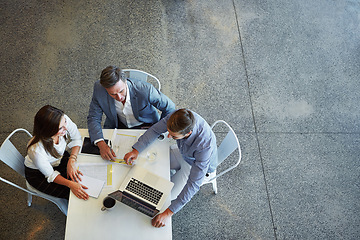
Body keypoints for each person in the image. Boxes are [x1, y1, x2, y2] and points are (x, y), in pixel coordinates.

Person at [124, 109, 218, 228]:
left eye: (173, 136)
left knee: (165, 198)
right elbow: (155, 129)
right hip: (184, 153)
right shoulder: (177, 117)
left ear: (188, 133)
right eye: (169, 132)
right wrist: (136, 150)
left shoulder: (204, 146)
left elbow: (193, 184)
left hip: (197, 167)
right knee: (153, 165)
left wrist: (167, 213)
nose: (168, 136)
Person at [87, 65, 176, 161]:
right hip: (118, 124)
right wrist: (100, 143)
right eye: (113, 94)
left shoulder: (146, 90)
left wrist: (160, 128)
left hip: (147, 125)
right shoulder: (98, 89)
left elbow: (170, 108)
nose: (119, 97)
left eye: (121, 91)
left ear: (125, 81)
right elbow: (93, 117)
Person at [24, 105, 89, 200]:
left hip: (58, 158)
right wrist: (70, 184)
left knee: (82, 178)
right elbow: (50, 174)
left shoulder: (62, 119)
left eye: (65, 123)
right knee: (72, 194)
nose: (66, 128)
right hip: (38, 174)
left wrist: (71, 160)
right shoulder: (36, 151)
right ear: (48, 130)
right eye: (60, 128)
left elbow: (77, 138)